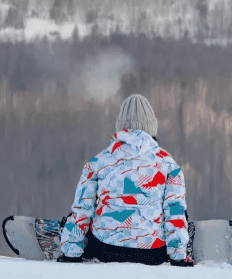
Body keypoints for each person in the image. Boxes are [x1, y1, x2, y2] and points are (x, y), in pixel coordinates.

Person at [58, 93, 194, 266]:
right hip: (153, 253)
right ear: (152, 127)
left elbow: (83, 209)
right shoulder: (168, 164)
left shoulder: (99, 161)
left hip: (106, 250)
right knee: (176, 208)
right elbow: (174, 211)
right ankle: (179, 244)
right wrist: (179, 257)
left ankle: (71, 240)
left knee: (87, 207)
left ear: (121, 127)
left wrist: (71, 255)